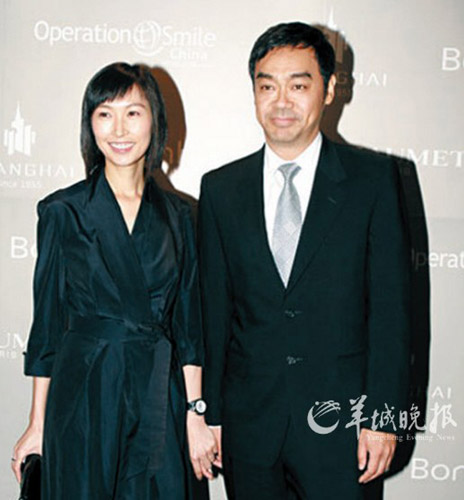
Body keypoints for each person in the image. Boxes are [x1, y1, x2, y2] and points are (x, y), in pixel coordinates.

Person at [198, 22, 411, 499]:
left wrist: (383, 418)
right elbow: (214, 312)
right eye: (267, 86)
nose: (281, 102)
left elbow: (392, 314)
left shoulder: (373, 181)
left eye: (298, 85)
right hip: (249, 427)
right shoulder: (221, 190)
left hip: (343, 428)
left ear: (329, 89)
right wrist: (211, 414)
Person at [12, 62, 217, 499]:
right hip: (85, 394)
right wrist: (37, 423)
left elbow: (189, 328)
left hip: (158, 393)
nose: (119, 129)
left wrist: (195, 414)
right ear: (90, 124)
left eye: (133, 113)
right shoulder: (63, 211)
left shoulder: (181, 216)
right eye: (105, 113)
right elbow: (47, 326)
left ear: (154, 120)